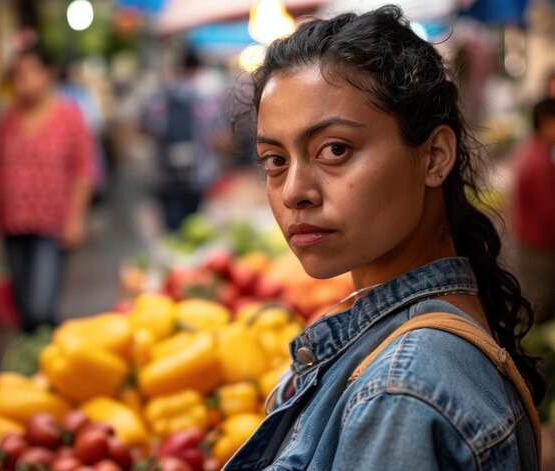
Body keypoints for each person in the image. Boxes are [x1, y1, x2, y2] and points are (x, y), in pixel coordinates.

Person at [224, 6, 543, 470]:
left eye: (334, 150)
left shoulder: (400, 393)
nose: (294, 192)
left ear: (434, 156)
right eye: (275, 160)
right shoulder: (411, 350)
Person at [0, 47, 96, 333]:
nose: (24, 81)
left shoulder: (69, 116)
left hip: (52, 224)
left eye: (31, 72)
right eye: (18, 75)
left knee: (40, 305)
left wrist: (76, 218)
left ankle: (51, 350)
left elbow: (84, 170)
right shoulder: (6, 120)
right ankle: (37, 361)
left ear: (48, 74)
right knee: (22, 305)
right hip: (13, 223)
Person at [137, 48, 220, 230]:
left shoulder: (157, 96)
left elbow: (141, 126)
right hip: (196, 175)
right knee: (194, 228)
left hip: (164, 176)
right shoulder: (203, 98)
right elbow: (216, 134)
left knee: (171, 229)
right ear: (196, 69)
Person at [509, 98, 555, 324]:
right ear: (546, 123)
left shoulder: (532, 150)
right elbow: (549, 215)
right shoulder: (539, 162)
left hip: (529, 244)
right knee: (540, 309)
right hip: (538, 249)